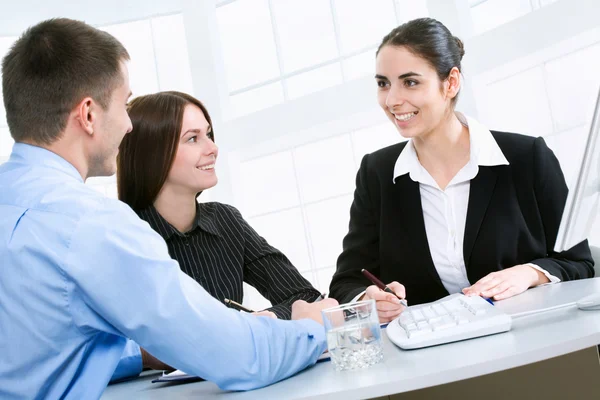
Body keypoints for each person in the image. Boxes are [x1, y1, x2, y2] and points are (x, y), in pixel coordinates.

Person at [0, 18, 337, 400]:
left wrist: (136, 354)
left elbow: (43, 351)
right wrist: (313, 328)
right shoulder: (93, 225)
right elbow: (237, 356)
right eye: (124, 104)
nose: (129, 125)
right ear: (89, 115)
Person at [328, 18, 594, 323]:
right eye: (383, 83)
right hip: (436, 358)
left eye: (410, 82)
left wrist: (530, 273)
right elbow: (347, 281)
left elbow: (578, 263)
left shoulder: (526, 157)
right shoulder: (377, 174)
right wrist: (368, 297)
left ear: (451, 83)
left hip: (533, 338)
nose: (392, 100)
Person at [116, 91, 321, 321]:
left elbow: (306, 296)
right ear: (152, 155)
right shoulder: (122, 238)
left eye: (209, 134)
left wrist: (264, 321)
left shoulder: (225, 220)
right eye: (193, 138)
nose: (213, 148)